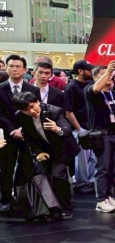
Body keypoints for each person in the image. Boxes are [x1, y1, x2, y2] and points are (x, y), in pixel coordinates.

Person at [11, 91, 78, 221]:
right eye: (26, 110)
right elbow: (28, 137)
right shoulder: (20, 116)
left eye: (32, 106)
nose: (31, 111)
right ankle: (47, 208)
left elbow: (67, 130)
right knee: (39, 176)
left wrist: (57, 129)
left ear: (37, 101)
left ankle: (66, 208)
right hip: (44, 150)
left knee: (57, 176)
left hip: (62, 149)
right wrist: (38, 152)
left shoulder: (54, 111)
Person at [0, 55, 41, 213]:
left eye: (18, 66)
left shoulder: (33, 90)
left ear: (25, 70)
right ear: (6, 68)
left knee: (26, 167)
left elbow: (35, 112)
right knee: (6, 167)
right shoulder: (1, 88)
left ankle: (23, 198)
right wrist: (12, 129)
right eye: (11, 66)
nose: (14, 69)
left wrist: (22, 130)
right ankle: (6, 199)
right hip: (7, 134)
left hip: (27, 134)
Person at [85, 60, 115, 213]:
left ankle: (109, 196)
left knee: (113, 169)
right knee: (102, 168)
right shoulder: (90, 91)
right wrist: (108, 70)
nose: (109, 77)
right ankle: (100, 200)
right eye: (104, 74)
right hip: (101, 135)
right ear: (95, 77)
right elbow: (96, 88)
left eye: (110, 74)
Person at [63, 60, 97, 193]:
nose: (91, 72)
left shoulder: (90, 84)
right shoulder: (71, 87)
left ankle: (90, 181)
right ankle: (81, 183)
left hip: (92, 127)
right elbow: (68, 111)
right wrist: (79, 129)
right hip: (80, 127)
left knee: (93, 157)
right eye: (89, 70)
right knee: (82, 159)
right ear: (80, 71)